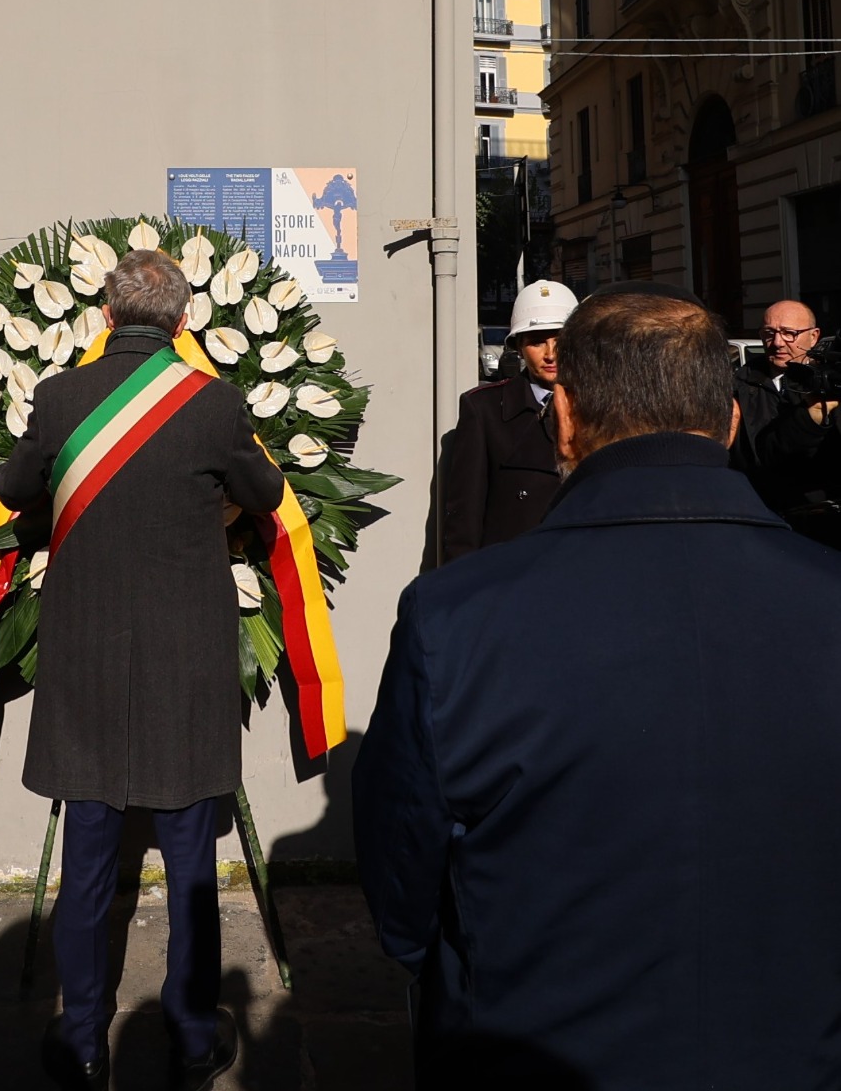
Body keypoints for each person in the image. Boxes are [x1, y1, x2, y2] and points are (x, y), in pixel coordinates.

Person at [353, 290, 841, 1088]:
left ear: (567, 417)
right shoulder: (827, 599)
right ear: (726, 423)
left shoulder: (456, 618)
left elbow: (401, 884)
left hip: (534, 1051)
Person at [0, 249, 286, 1091]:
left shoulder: (56, 399)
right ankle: (194, 1035)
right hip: (184, 669)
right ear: (183, 322)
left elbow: (17, 489)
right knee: (191, 859)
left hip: (85, 662)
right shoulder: (215, 403)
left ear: (105, 315)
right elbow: (265, 497)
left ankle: (84, 1039)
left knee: (89, 860)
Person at [440, 279, 577, 562]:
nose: (551, 354)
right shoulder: (484, 409)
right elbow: (465, 516)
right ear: (518, 346)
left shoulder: (605, 406)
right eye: (537, 342)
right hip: (510, 574)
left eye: (560, 340)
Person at [730, 298, 822, 509]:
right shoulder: (736, 387)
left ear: (814, 336)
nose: (778, 343)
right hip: (757, 508)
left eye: (790, 333)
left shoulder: (828, 389)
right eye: (769, 334)